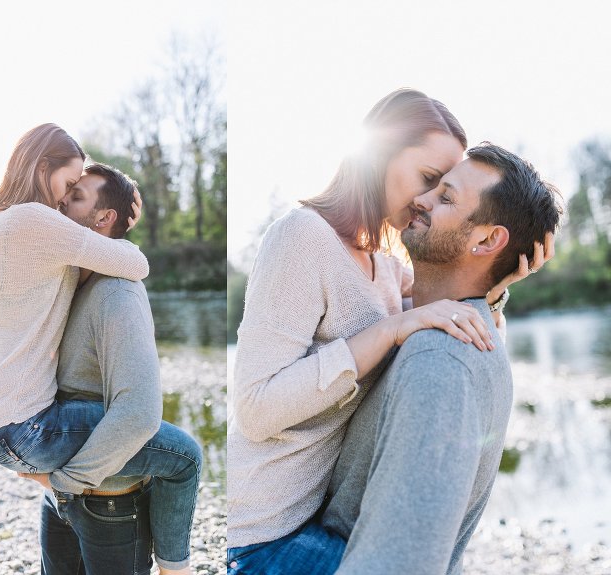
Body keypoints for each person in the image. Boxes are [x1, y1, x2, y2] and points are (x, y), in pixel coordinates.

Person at [226, 90, 553, 571]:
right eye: (428, 179)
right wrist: (392, 330)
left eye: (443, 190)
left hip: (320, 520)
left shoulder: (385, 266)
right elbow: (255, 409)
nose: (424, 199)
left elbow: (448, 309)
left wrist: (498, 277)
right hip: (267, 535)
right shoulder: (301, 237)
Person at [0, 125, 198, 574]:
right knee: (186, 456)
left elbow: (75, 268)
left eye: (76, 192)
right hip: (26, 425)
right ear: (41, 169)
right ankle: (176, 569)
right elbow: (136, 263)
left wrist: (112, 216)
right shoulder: (33, 220)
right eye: (68, 184)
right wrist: (64, 483)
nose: (63, 199)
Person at [29, 163, 203, 575]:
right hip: (62, 496)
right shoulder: (70, 280)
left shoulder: (117, 295)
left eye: (76, 197)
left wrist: (64, 484)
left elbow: (139, 412)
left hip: (107, 501)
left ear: (104, 218)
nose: (61, 201)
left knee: (187, 457)